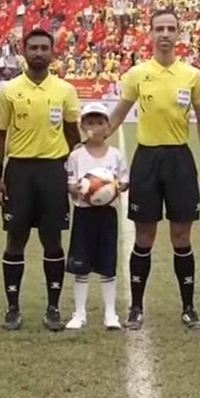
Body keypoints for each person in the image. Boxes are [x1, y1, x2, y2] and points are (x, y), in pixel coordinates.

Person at [104, 8, 200, 331]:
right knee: (144, 236)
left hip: (180, 160)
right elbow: (117, 116)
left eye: (170, 28)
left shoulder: (192, 75)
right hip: (147, 160)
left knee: (182, 235)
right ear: (150, 34)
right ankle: (136, 307)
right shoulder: (137, 74)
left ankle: (189, 307)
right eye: (159, 29)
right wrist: (92, 143)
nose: (164, 34)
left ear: (179, 34)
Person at [0, 29, 81, 332]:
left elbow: (73, 136)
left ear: (53, 52)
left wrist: (77, 173)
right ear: (24, 51)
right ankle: (13, 308)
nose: (39, 53)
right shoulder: (9, 90)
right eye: (33, 48)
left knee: (52, 240)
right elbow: (1, 136)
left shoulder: (65, 91)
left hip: (53, 172)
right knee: (15, 239)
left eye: (44, 47)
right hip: (18, 172)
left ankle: (53, 308)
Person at [64, 102, 130, 329]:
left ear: (107, 126)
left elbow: (124, 180)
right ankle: (79, 313)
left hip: (107, 215)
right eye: (90, 123)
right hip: (84, 214)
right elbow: (70, 183)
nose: (95, 127)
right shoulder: (76, 155)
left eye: (100, 122)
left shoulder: (116, 155)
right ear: (82, 126)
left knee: (107, 264)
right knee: (80, 265)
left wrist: (115, 187)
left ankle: (110, 314)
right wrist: (81, 189)